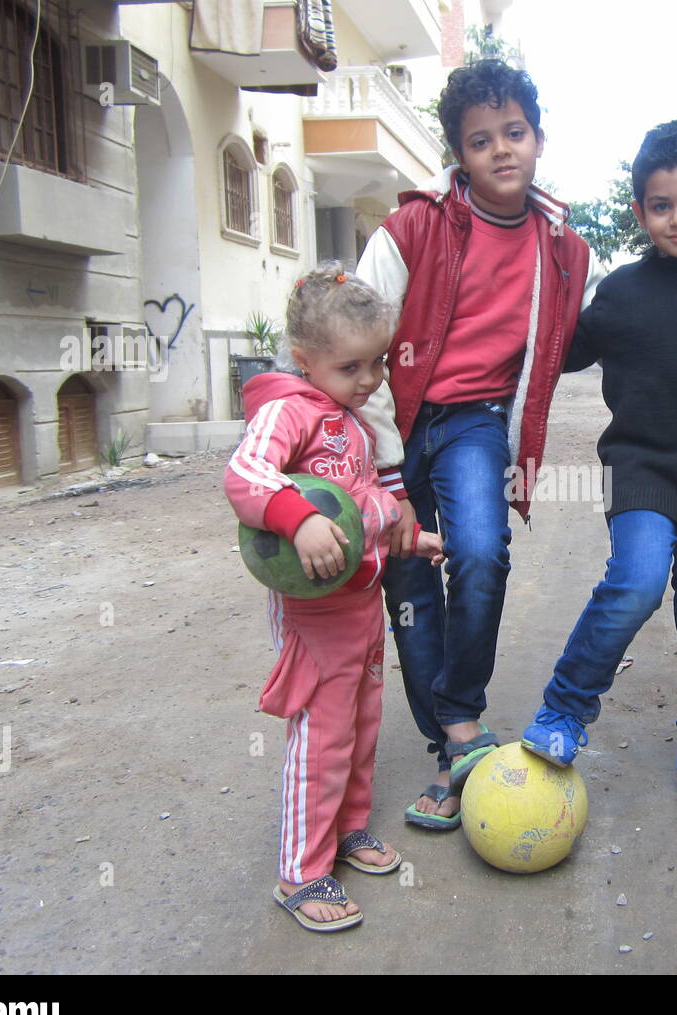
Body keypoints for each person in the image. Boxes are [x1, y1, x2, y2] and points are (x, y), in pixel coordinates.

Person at [354, 59, 601, 830]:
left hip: (473, 421)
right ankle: (454, 746)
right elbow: (357, 324)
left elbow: (594, 328)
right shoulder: (413, 227)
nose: (501, 150)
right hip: (392, 417)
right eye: (480, 139)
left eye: (515, 133)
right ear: (459, 153)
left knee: (482, 551)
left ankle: (461, 709)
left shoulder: (561, 246)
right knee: (409, 580)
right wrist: (377, 471)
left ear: (538, 138)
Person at [519, 121, 677, 817]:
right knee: (635, 582)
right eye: (661, 205)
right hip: (643, 471)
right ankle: (564, 712)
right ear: (639, 212)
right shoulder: (621, 292)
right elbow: (554, 350)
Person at [224, 265, 445, 932]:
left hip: (361, 605)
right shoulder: (287, 411)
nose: (371, 378)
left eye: (378, 362)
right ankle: (300, 869)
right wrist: (296, 516)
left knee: (359, 722)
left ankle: (347, 830)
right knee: (320, 736)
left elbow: (364, 507)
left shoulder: (351, 422)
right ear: (304, 360)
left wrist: (406, 537)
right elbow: (245, 475)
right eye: (352, 365)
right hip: (314, 615)